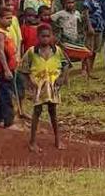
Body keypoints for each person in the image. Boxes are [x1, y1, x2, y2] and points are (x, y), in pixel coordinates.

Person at [19, 22, 68, 151]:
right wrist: (28, 82)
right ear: (38, 37)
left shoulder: (57, 51)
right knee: (37, 112)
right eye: (42, 36)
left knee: (53, 112)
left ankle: (58, 140)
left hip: (53, 86)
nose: (45, 39)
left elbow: (66, 64)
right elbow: (23, 69)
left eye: (48, 36)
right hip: (39, 87)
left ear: (52, 36)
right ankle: (32, 142)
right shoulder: (31, 52)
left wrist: (62, 78)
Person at [0, 1, 21, 128]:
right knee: (6, 94)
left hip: (9, 67)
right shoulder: (0, 34)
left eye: (11, 18)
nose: (10, 20)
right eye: (7, 18)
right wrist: (7, 69)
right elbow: (1, 52)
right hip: (4, 69)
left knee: (2, 93)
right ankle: (8, 121)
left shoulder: (6, 32)